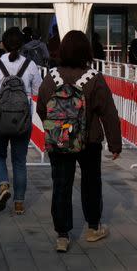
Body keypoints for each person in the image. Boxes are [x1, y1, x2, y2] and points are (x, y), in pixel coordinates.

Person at [36, 30, 122, 253]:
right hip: (89, 140)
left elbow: (42, 107)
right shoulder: (93, 78)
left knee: (61, 184)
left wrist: (55, 128)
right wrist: (115, 144)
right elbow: (109, 113)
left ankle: (62, 236)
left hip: (59, 140)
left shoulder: (51, 76)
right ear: (87, 51)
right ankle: (93, 228)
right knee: (91, 183)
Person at [0, 27, 42, 216]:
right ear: (22, 44)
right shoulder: (30, 65)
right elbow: (38, 90)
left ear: (3, 44)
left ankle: (4, 185)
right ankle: (19, 204)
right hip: (23, 119)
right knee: (19, 160)